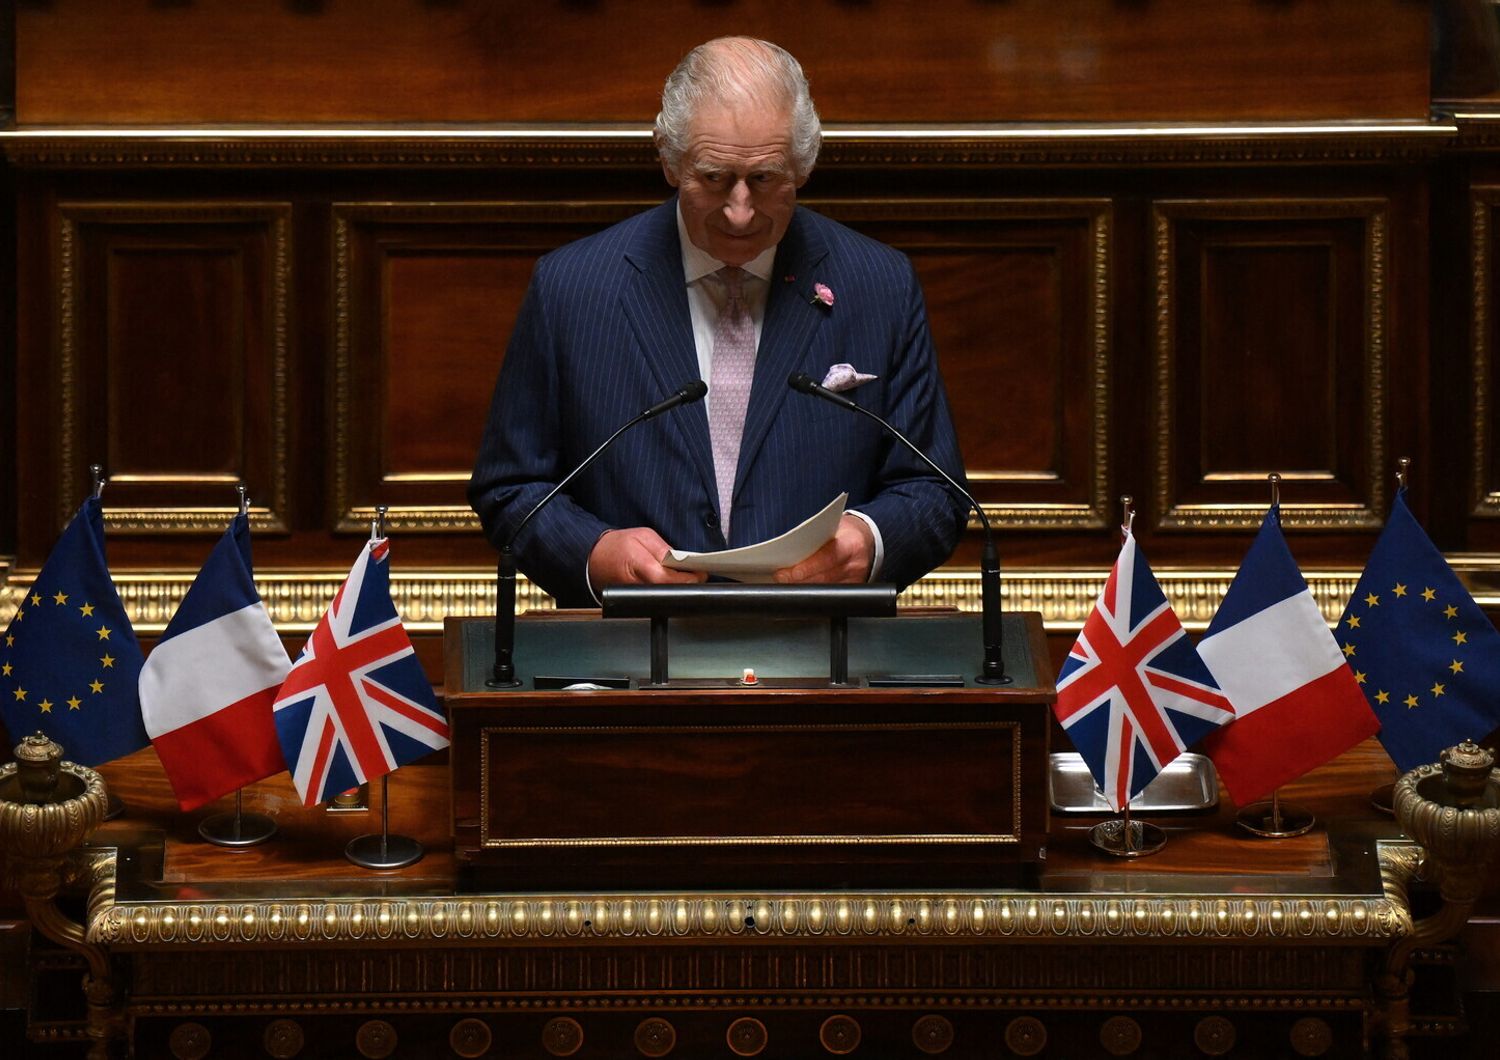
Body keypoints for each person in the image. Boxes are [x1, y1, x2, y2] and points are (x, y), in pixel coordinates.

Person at [469, 37, 970, 608]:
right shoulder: (572, 289)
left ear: (803, 166)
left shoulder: (880, 284)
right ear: (668, 159)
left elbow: (936, 491)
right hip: (629, 658)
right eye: (713, 178)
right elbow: (510, 489)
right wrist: (595, 552)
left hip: (820, 654)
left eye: (764, 179)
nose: (740, 211)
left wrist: (867, 543)